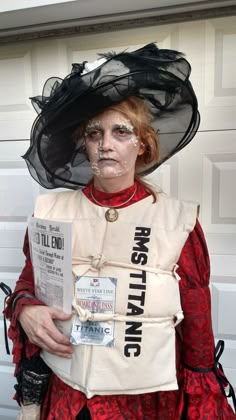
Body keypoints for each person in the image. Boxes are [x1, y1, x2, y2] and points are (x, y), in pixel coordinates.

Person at [4, 43, 236, 420]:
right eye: (95, 134)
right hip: (68, 393)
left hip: (142, 399)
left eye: (121, 132)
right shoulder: (51, 212)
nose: (106, 145)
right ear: (85, 143)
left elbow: (197, 321)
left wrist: (203, 393)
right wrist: (25, 308)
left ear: (142, 143)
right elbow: (30, 282)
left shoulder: (177, 221)